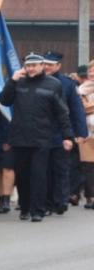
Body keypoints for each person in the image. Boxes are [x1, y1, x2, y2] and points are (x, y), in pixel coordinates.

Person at [0, 53, 74, 222]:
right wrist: (12, 81)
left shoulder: (53, 85)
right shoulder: (19, 82)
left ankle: (38, 210)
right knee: (23, 175)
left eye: (34, 65)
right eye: (28, 66)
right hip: (20, 137)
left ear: (42, 66)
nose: (31, 69)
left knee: (39, 174)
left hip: (42, 137)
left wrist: (67, 136)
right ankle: (25, 208)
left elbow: (62, 113)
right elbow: (4, 101)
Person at [43, 52, 88, 214]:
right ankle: (47, 203)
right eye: (45, 64)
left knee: (61, 168)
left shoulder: (68, 84)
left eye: (50, 64)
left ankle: (61, 200)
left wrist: (80, 132)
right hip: (41, 133)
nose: (47, 67)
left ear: (59, 66)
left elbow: (76, 110)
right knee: (45, 170)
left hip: (61, 133)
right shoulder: (37, 81)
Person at [79, 66, 94, 209]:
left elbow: (88, 106)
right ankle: (91, 197)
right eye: (90, 71)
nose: (92, 73)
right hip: (87, 130)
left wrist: (90, 106)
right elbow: (81, 107)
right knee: (88, 166)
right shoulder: (82, 88)